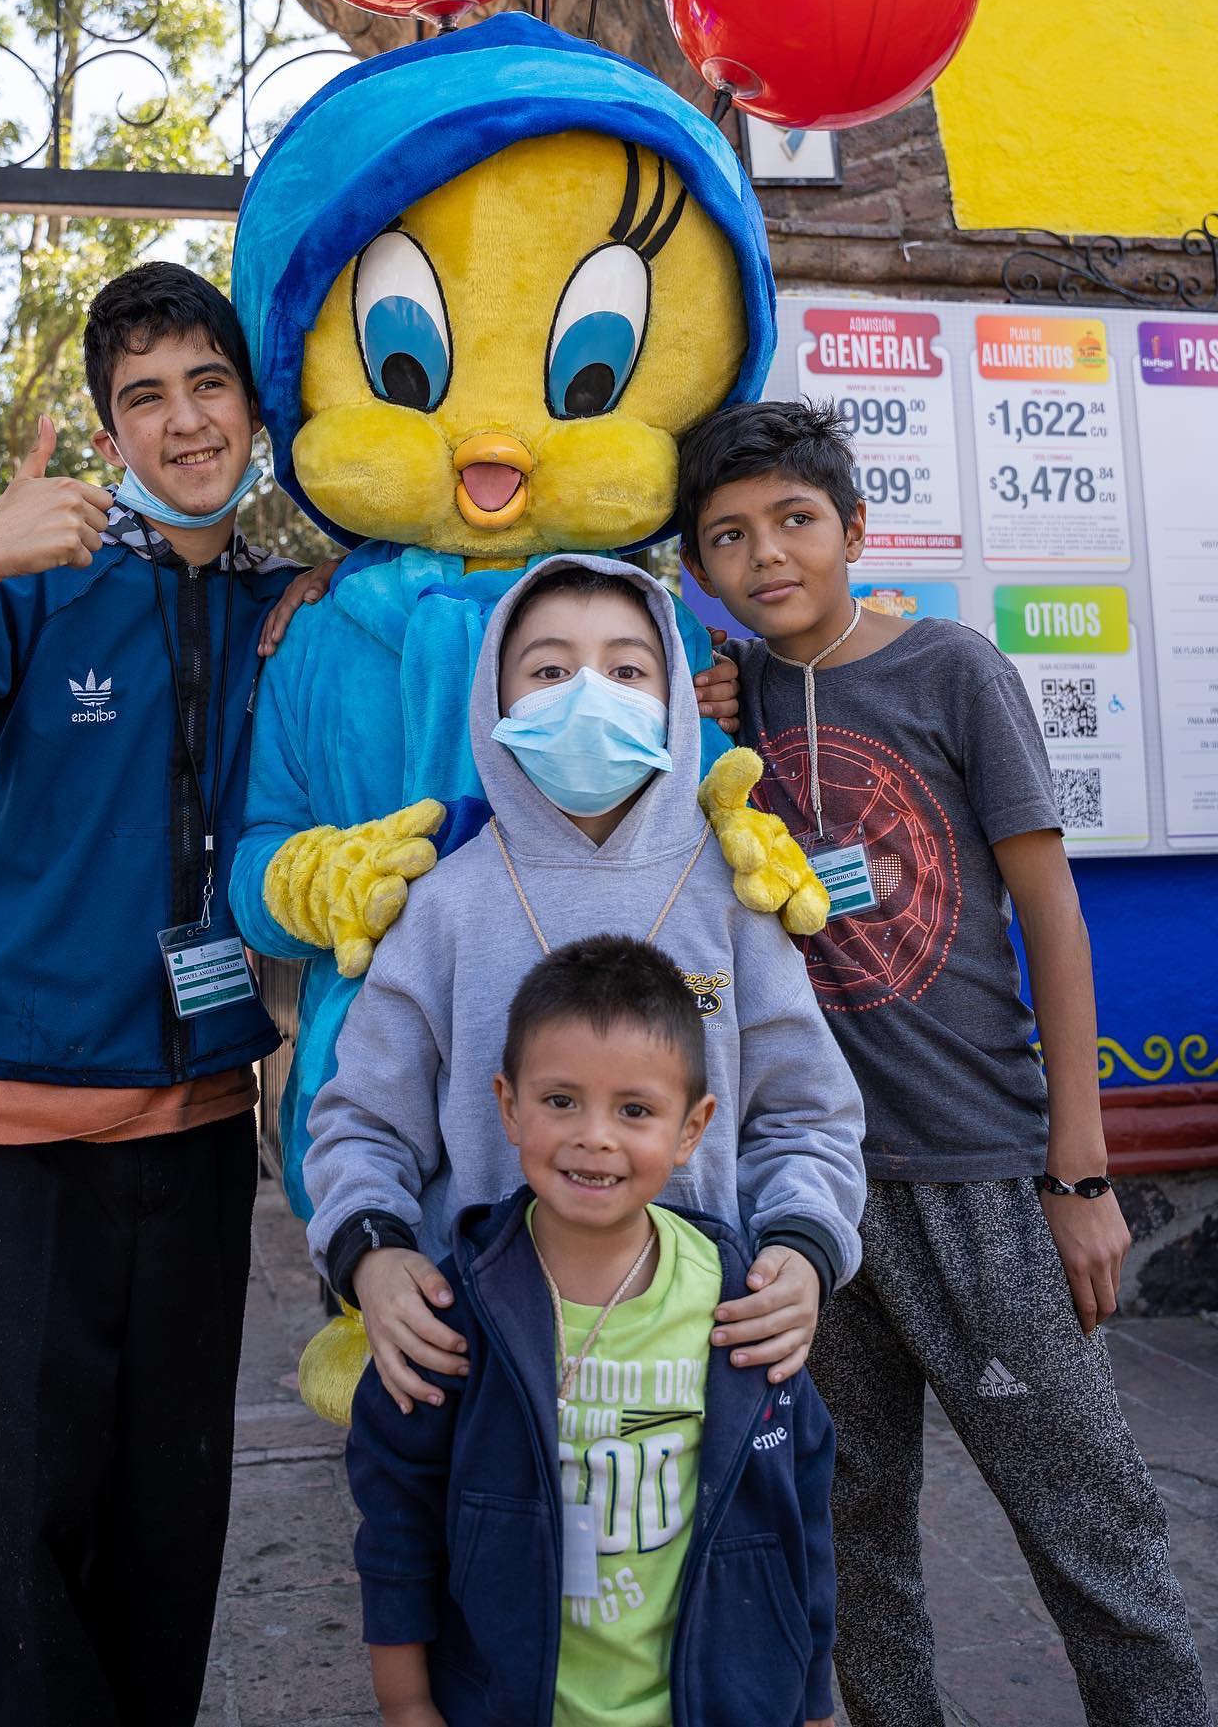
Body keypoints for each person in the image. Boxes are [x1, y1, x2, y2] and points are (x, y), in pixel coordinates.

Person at [0, 262, 334, 1727]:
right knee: (8, 1521)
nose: (183, 423)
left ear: (254, 408)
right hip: (11, 1138)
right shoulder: (31, 586)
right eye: (144, 398)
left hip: (194, 1133)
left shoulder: (282, 612)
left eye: (207, 385)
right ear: (110, 432)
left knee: (172, 1517)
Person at [677, 398, 1211, 1727]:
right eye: (729, 538)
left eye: (795, 521)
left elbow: (1052, 914)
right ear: (703, 571)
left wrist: (1079, 1177)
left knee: (1094, 1529)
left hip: (979, 1171)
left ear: (854, 528)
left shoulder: (952, 670)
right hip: (812, 1190)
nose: (767, 555)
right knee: (852, 1538)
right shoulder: (727, 716)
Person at [294, 552, 866, 1418]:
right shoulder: (442, 906)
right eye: (550, 669)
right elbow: (363, 1123)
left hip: (705, 1357)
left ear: (675, 696)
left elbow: (806, 1112)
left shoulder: (736, 899)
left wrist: (803, 1243)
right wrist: (371, 1253)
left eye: (628, 668)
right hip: (485, 1363)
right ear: (495, 697)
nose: (588, 694)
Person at [347, 933, 838, 1727]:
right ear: (508, 1105)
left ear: (692, 1127)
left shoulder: (741, 1304)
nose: (595, 1135)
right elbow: (397, 1509)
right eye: (561, 1100)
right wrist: (404, 1701)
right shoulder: (457, 1305)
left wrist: (811, 1697)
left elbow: (800, 1508)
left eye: (635, 1109)